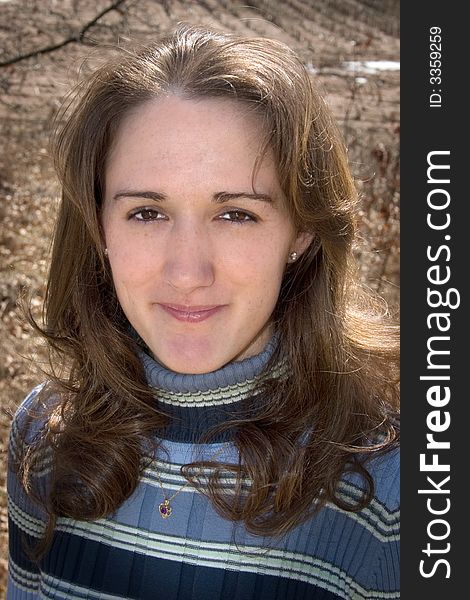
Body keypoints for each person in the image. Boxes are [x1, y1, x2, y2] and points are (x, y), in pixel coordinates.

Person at [7, 24, 399, 600]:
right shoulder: (47, 439)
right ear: (98, 230)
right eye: (146, 212)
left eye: (236, 214)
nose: (188, 272)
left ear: (303, 232)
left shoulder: (395, 483)